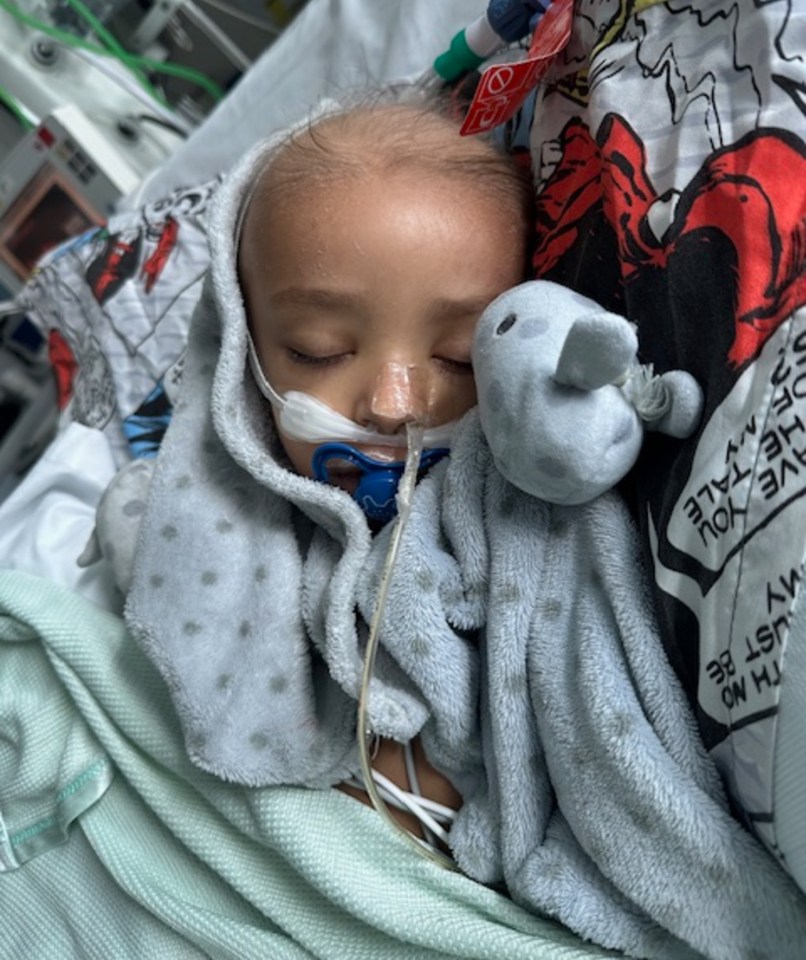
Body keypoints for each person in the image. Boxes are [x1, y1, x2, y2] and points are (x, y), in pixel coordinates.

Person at [94, 87, 806, 960]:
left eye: (456, 357)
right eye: (319, 349)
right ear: (242, 347)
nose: (395, 405)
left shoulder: (524, 520)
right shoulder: (210, 508)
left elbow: (576, 694)